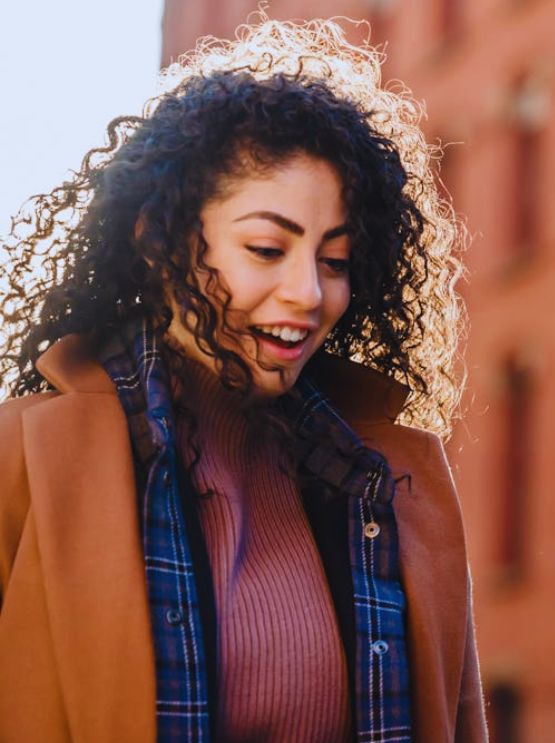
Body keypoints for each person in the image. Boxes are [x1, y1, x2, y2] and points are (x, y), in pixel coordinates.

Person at [0, 18, 486, 743]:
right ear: (160, 242)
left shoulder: (391, 484)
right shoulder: (23, 460)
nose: (308, 293)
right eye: (265, 248)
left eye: (335, 261)